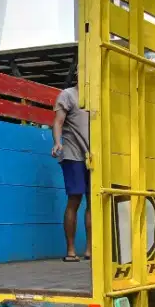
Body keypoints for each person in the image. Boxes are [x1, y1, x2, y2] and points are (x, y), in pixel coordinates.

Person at [51, 85, 91, 261]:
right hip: (73, 154)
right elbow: (58, 122)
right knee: (74, 199)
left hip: (94, 156)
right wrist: (57, 143)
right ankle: (71, 251)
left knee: (94, 202)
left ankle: (90, 250)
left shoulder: (97, 96)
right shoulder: (67, 95)